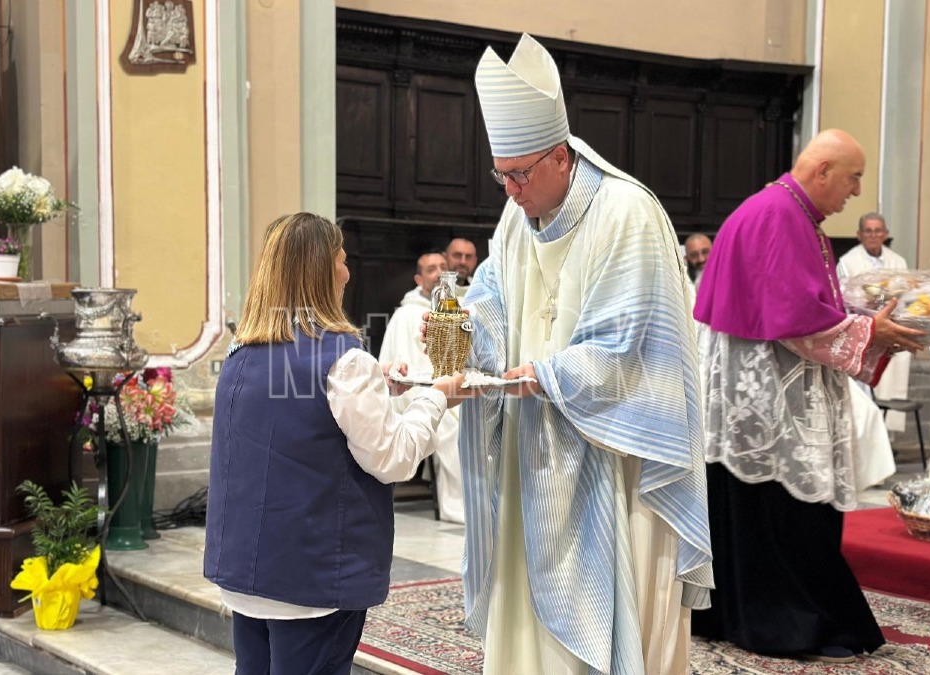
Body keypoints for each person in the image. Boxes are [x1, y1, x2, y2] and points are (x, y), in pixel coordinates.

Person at [459, 34, 712, 674]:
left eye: (520, 174)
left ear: (562, 158)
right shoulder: (514, 218)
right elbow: (490, 295)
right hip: (535, 436)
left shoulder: (627, 211)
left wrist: (546, 375)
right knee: (527, 581)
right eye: (501, 174)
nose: (510, 190)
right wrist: (461, 343)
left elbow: (630, 343)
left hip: (619, 452)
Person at [691, 129, 925, 663]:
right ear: (822, 170)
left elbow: (803, 305)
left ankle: (734, 614)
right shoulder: (779, 215)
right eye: (853, 177)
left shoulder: (788, 212)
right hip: (770, 397)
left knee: (750, 510)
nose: (856, 192)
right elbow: (794, 320)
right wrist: (872, 333)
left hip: (759, 390)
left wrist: (861, 320)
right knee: (783, 513)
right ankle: (788, 624)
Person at [203, 213, 473, 674]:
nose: (347, 271)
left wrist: (379, 385)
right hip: (311, 577)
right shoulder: (342, 359)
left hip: (247, 572)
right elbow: (392, 459)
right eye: (341, 260)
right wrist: (437, 396)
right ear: (321, 270)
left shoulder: (239, 354)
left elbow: (297, 415)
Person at [379, 251, 465, 524]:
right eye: (431, 269)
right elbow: (404, 366)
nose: (439, 273)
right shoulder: (406, 315)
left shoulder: (459, 306)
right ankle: (464, 506)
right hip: (418, 389)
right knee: (454, 427)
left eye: (443, 267)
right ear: (419, 278)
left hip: (453, 383)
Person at [838, 212, 913, 434]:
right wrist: (875, 299)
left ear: (886, 234)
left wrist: (887, 298)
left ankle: (887, 435)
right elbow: (844, 296)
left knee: (893, 379)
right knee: (865, 389)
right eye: (868, 231)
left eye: (878, 231)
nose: (873, 235)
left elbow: (906, 292)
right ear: (859, 235)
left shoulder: (897, 261)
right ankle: (867, 435)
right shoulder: (848, 262)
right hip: (865, 329)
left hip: (892, 325)